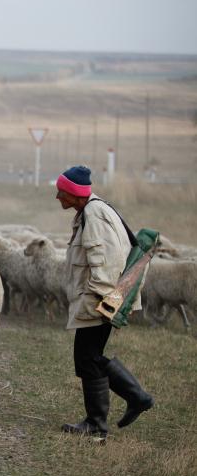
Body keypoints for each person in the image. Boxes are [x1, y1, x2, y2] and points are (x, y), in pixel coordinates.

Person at [54, 165, 154, 439]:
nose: (58, 197)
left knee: (89, 357)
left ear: (74, 194)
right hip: (102, 298)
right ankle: (121, 407)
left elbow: (106, 259)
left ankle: (108, 416)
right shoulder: (91, 210)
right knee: (89, 357)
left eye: (61, 192)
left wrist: (102, 299)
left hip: (100, 299)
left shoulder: (94, 214)